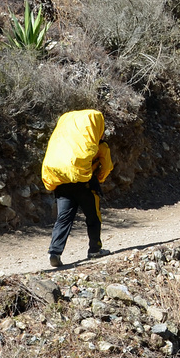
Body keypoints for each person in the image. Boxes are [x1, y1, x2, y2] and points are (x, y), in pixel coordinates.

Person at [43, 109, 114, 269]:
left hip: (62, 183)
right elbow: (107, 167)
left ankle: (55, 252)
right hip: (85, 184)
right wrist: (98, 178)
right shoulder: (99, 146)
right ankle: (95, 249)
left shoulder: (64, 146)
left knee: (63, 218)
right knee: (93, 217)